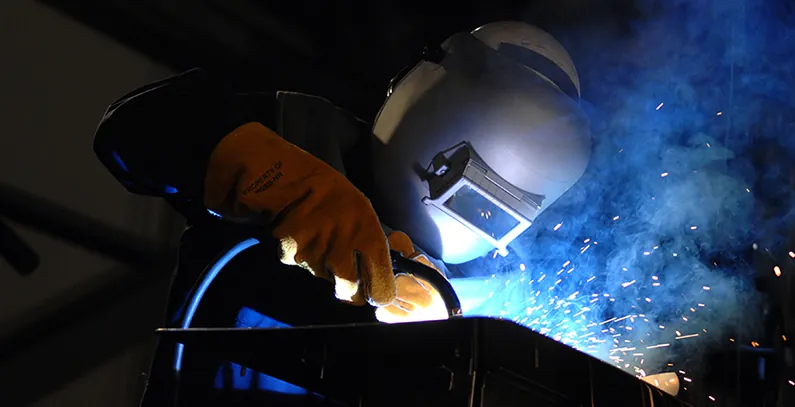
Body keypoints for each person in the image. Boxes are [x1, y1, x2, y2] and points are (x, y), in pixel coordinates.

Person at [95, 21, 592, 404]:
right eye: (466, 194)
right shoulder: (304, 137)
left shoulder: (485, 294)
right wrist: (293, 191)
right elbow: (129, 132)